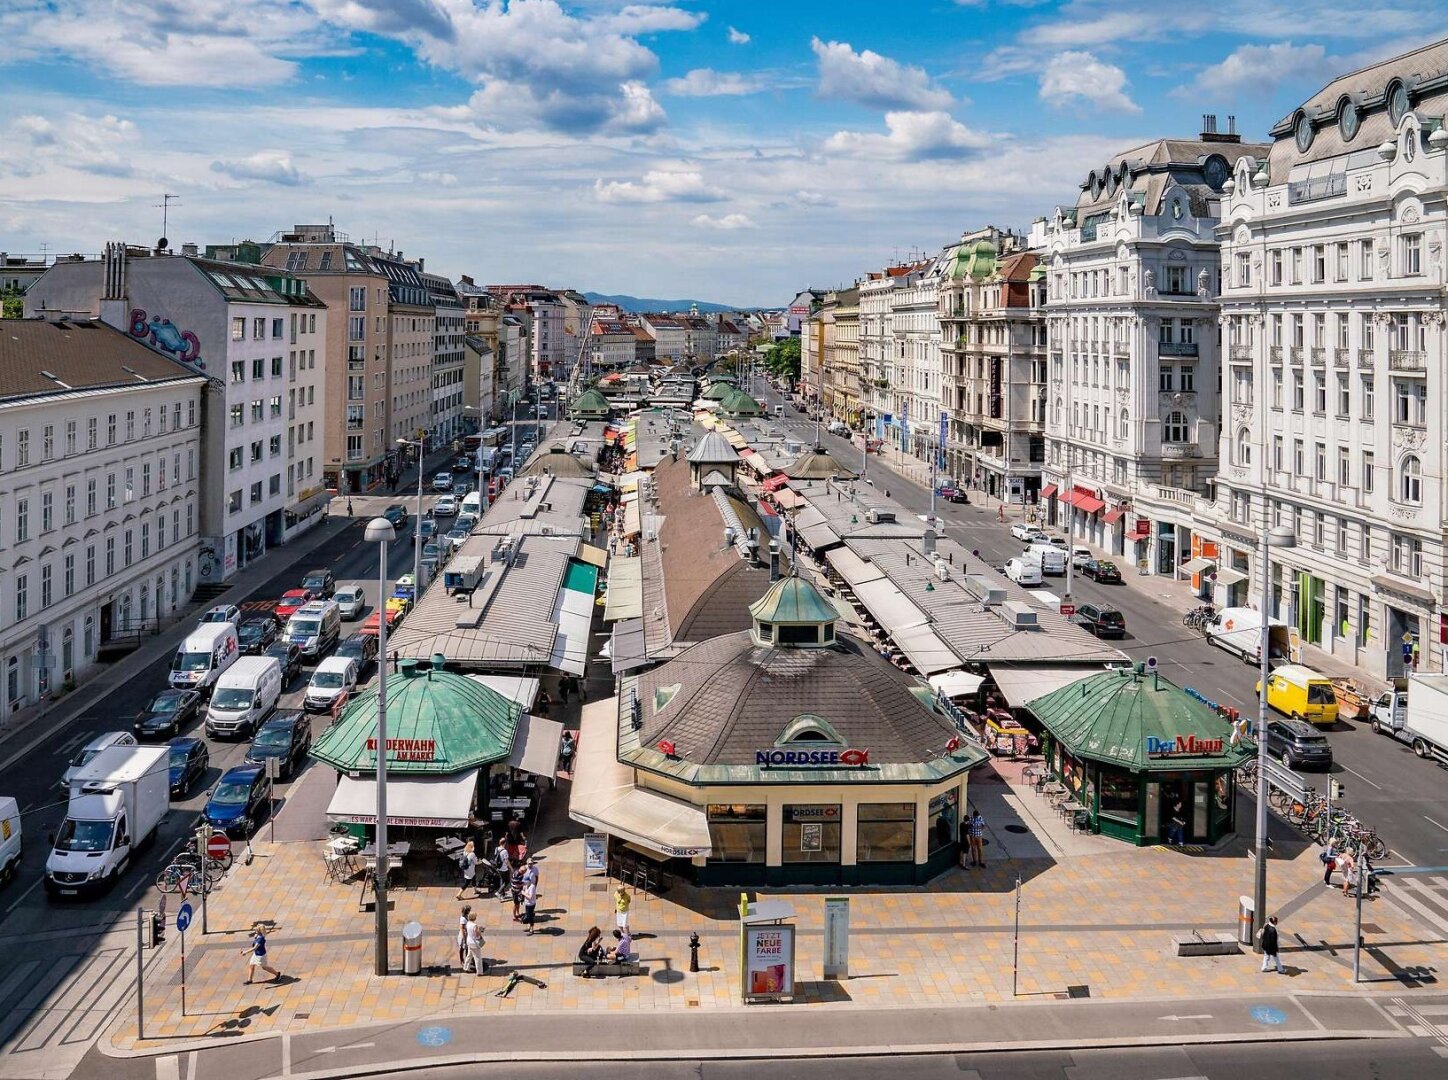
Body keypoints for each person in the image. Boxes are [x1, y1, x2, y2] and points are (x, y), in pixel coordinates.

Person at [521, 858, 539, 935]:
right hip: (527, 903)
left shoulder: (531, 887)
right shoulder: (526, 886)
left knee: (530, 916)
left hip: (531, 903)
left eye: (531, 863)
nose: (530, 865)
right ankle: (529, 927)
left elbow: (530, 897)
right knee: (528, 914)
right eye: (529, 863)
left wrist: (523, 893)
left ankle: (531, 928)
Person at [457, 904, 473, 970]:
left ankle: (467, 959)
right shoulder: (463, 919)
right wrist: (465, 939)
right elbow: (462, 929)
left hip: (467, 934)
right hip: (464, 936)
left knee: (467, 948)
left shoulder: (466, 916)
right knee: (463, 948)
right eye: (469, 910)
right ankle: (462, 960)